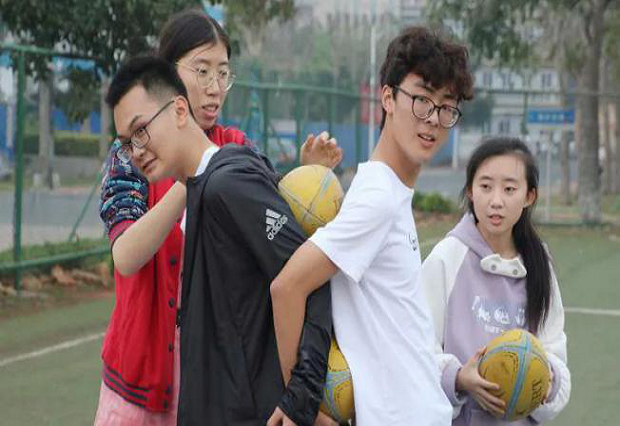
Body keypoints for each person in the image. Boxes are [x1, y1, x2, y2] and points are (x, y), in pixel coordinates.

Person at [94, 9, 341, 426]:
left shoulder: (234, 150)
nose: (214, 88)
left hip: (213, 369)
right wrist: (192, 174)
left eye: (223, 73)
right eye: (202, 71)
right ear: (168, 76)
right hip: (139, 375)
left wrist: (305, 180)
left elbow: (275, 239)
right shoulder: (133, 155)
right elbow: (126, 256)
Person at [267, 26, 474, 426]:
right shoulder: (378, 197)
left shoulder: (386, 191)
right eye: (421, 100)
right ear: (388, 98)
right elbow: (287, 287)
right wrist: (302, 405)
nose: (433, 119)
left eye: (446, 107)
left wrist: (315, 175)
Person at [419, 137, 571, 425]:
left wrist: (545, 382)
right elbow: (416, 348)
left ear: (529, 196)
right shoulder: (447, 257)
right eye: (486, 187)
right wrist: (457, 378)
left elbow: (555, 354)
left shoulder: (540, 265)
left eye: (509, 189)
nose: (496, 201)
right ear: (470, 191)